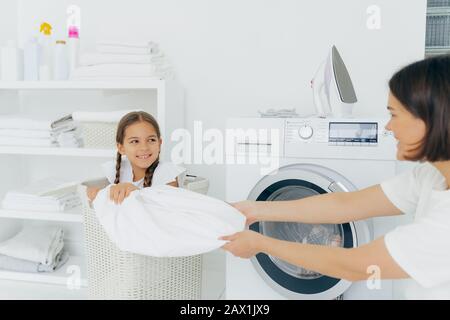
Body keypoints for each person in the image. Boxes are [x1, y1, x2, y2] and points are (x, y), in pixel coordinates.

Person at [221, 55, 450, 299]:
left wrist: (261, 244)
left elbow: (357, 265)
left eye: (394, 115)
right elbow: (347, 204)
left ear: (431, 119)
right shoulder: (431, 176)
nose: (387, 128)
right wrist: (252, 210)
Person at [87, 111, 186, 203]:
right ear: (121, 148)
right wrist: (99, 194)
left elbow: (166, 209)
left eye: (151, 140)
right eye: (135, 141)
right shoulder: (119, 170)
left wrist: (136, 192)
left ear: (159, 144)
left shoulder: (166, 173)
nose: (144, 147)